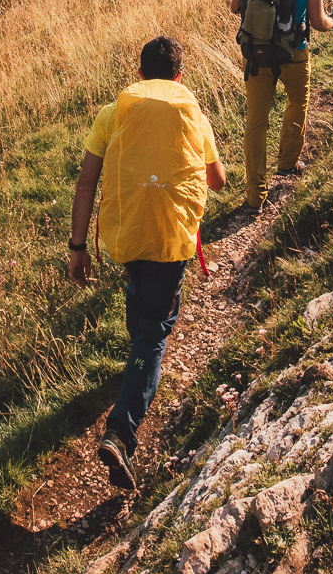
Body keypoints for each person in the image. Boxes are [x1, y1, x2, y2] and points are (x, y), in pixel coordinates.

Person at [67, 35, 226, 492]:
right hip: (172, 235)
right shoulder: (193, 114)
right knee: (155, 329)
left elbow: (85, 184)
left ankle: (133, 369)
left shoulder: (112, 113)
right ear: (180, 77)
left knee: (139, 294)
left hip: (126, 229)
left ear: (138, 74)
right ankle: (122, 430)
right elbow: (217, 181)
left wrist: (78, 247)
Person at [229, 0, 333, 209]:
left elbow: (234, 7)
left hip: (255, 54)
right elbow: (318, 22)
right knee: (297, 101)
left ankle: (255, 196)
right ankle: (288, 163)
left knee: (255, 122)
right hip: (293, 53)